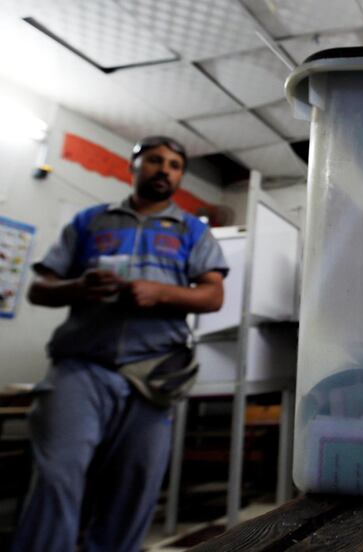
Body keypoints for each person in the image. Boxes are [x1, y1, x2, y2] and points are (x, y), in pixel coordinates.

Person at [12, 136, 228, 552]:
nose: (165, 170)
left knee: (136, 484)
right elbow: (41, 288)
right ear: (135, 167)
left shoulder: (192, 231)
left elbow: (213, 295)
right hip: (82, 366)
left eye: (174, 165)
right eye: (154, 161)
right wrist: (78, 286)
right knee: (57, 472)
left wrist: (159, 293)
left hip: (154, 373)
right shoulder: (90, 221)